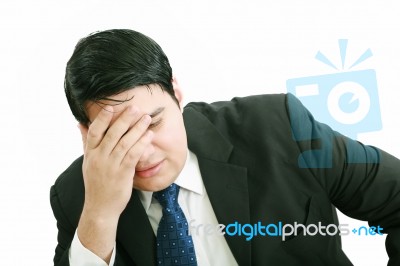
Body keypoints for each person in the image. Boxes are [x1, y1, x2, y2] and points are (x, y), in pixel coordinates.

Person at [50, 29, 400, 266]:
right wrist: (99, 214)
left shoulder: (278, 128)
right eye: (119, 136)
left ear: (176, 93)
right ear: (85, 131)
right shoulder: (75, 198)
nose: (142, 152)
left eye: (153, 122)